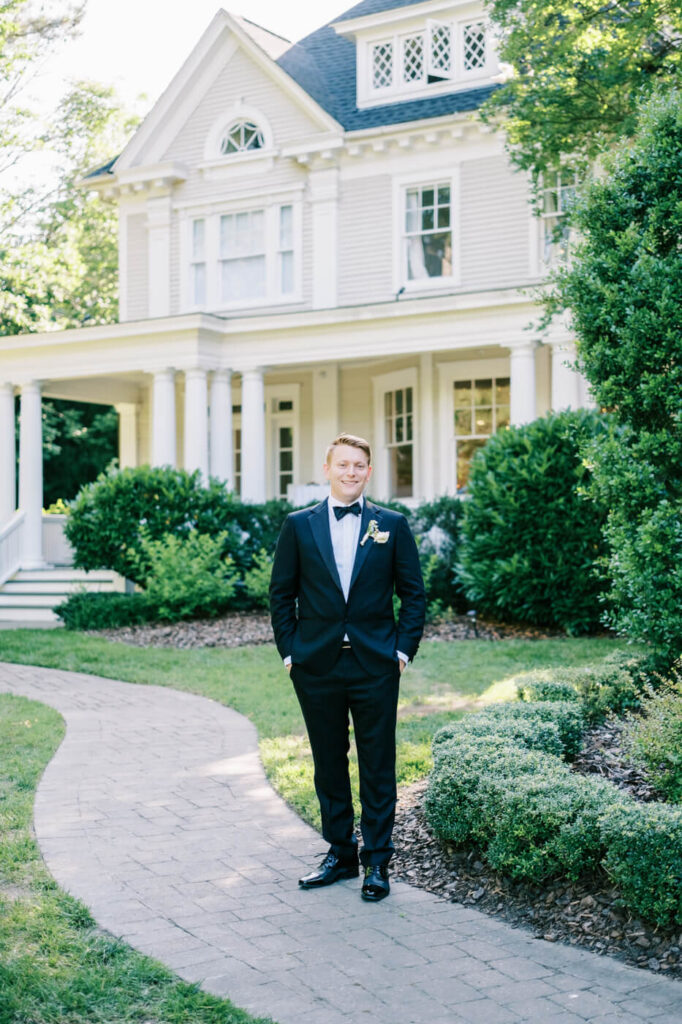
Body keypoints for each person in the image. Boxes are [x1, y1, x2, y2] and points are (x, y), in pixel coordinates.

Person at [269, 432, 425, 902]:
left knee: (378, 762)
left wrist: (401, 652)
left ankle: (378, 861)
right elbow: (281, 594)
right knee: (328, 762)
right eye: (343, 465)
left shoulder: (391, 525)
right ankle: (340, 853)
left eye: (359, 465)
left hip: (375, 663)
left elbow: (413, 594)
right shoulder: (298, 525)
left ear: (369, 472)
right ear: (328, 469)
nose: (351, 472)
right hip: (315, 664)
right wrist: (291, 652)